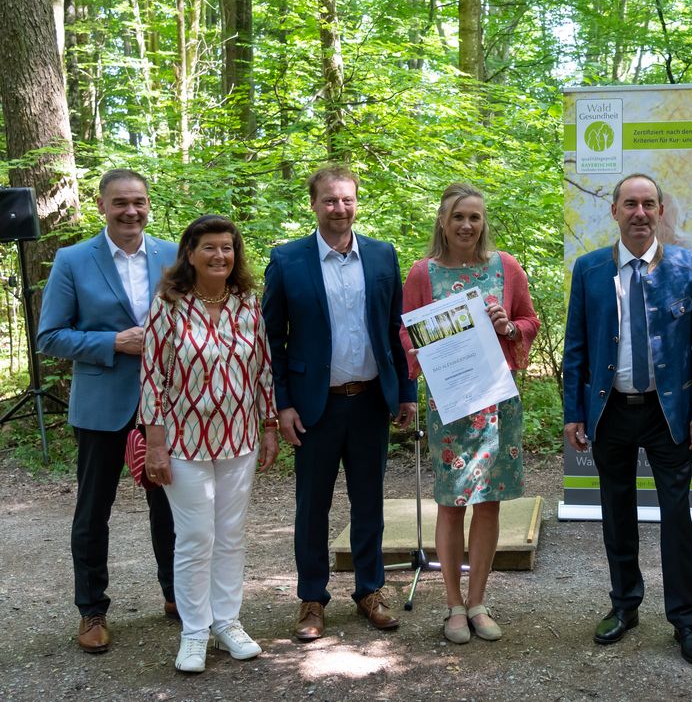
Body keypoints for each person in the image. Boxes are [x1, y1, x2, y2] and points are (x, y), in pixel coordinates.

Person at [562, 173, 692, 666]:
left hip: (668, 413)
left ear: (660, 212)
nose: (639, 213)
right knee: (616, 511)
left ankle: (685, 620)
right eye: (630, 204)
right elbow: (576, 347)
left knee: (677, 516)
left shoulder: (688, 266)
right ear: (614, 212)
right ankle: (624, 605)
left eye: (648, 204)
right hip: (610, 410)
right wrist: (573, 412)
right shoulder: (589, 269)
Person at [262, 166, 417, 641]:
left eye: (347, 200)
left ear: (356, 202)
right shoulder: (288, 260)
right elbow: (272, 340)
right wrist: (282, 404)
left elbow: (397, 328)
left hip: (370, 401)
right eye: (330, 200)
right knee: (313, 506)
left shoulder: (382, 255)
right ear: (313, 204)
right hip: (315, 407)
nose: (339, 208)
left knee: (369, 502)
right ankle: (312, 598)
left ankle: (370, 590)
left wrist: (406, 392)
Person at [37, 169, 177, 654]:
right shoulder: (73, 260)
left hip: (167, 404)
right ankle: (92, 610)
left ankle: (176, 594)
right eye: (120, 202)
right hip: (101, 407)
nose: (130, 211)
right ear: (101, 206)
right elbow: (50, 336)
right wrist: (113, 342)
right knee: (94, 512)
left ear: (149, 204)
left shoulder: (173, 255)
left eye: (138, 201)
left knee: (171, 507)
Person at [400, 183, 540, 643]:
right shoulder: (423, 273)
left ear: (483, 222)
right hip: (450, 404)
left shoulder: (506, 267)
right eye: (458, 216)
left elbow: (529, 321)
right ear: (442, 221)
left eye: (474, 217)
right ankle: (453, 606)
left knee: (488, 502)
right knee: (450, 503)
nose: (466, 225)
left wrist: (509, 327)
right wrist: (423, 351)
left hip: (497, 402)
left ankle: (478, 601)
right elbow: (406, 333)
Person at [139, 215, 278, 673]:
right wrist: (155, 443)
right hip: (183, 441)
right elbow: (152, 376)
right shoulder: (169, 304)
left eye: (227, 248)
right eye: (210, 248)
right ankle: (194, 631)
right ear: (190, 254)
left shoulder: (247, 302)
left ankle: (227, 622)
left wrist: (270, 426)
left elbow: (263, 369)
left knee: (231, 534)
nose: (220, 256)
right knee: (196, 536)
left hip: (240, 437)